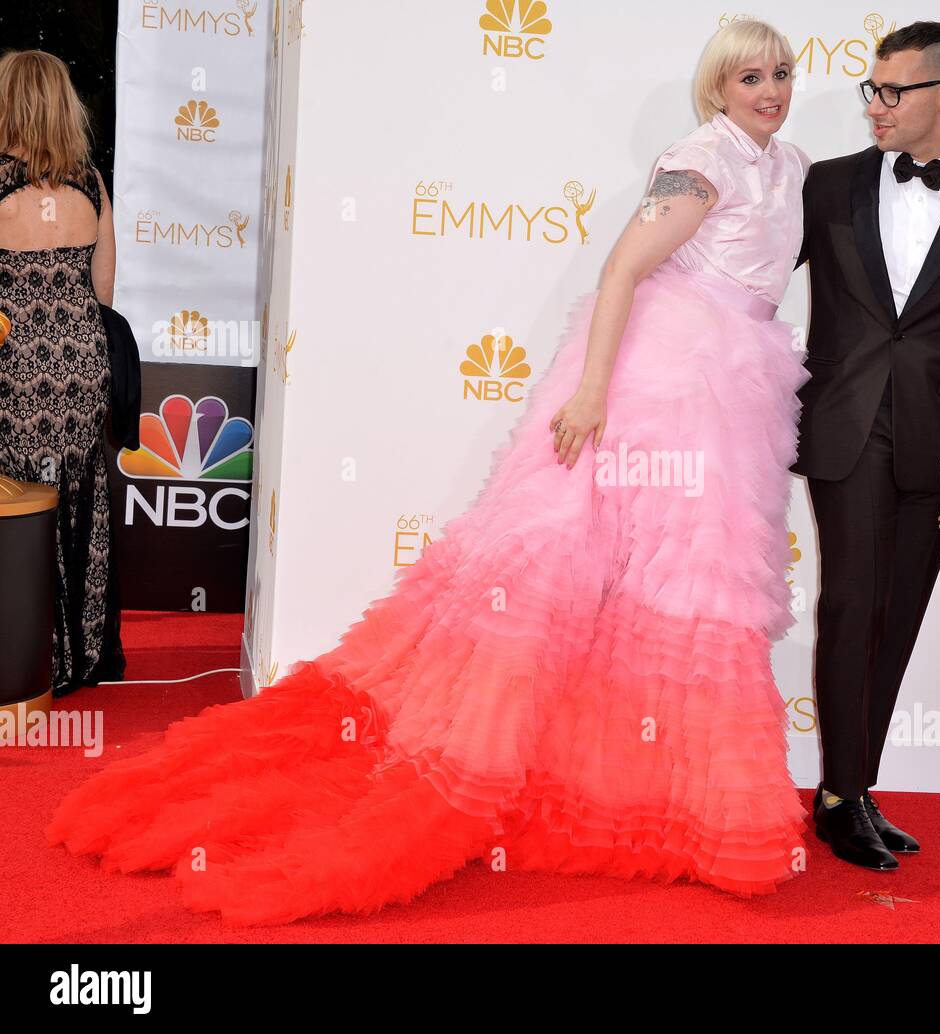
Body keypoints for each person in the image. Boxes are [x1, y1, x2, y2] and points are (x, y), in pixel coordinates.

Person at [46, 19, 816, 925]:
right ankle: (522, 778)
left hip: (734, 392)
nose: (769, 90)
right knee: (563, 579)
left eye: (782, 74)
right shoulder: (699, 159)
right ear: (719, 87)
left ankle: (673, 804)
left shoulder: (793, 162)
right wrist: (592, 393)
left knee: (682, 598)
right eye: (750, 76)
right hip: (661, 384)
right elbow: (620, 272)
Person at [792, 21, 940, 870]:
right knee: (852, 604)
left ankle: (852, 788)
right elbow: (744, 266)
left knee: (896, 617)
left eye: (894, 92)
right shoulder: (825, 185)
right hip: (846, 428)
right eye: (872, 90)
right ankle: (839, 796)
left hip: (936, 445)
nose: (876, 107)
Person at [0, 49, 125, 698]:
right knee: (76, 503)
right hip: (81, 364)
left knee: (19, 507)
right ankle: (78, 661)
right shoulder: (90, 184)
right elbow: (102, 292)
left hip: (14, 370)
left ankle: (21, 663)